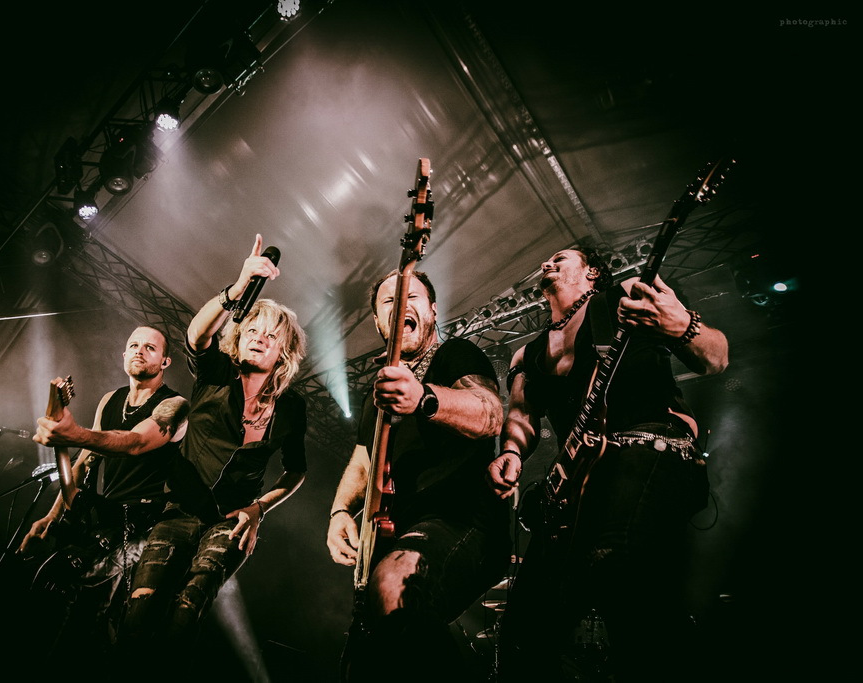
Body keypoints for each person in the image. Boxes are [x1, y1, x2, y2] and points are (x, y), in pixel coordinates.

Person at [486, 246, 729, 682]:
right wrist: (511, 452)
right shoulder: (527, 354)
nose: (546, 264)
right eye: (546, 261)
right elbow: (521, 415)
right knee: (522, 631)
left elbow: (716, 357)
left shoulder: (624, 299)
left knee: (617, 563)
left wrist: (679, 325)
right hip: (578, 480)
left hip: (650, 448)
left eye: (561, 258)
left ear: (593, 272)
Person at [117, 234, 308, 668]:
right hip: (180, 510)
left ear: (284, 351)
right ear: (238, 339)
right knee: (140, 613)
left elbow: (296, 471)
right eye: (252, 331)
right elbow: (197, 334)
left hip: (232, 519)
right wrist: (238, 288)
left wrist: (259, 509)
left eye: (271, 335)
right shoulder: (217, 373)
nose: (260, 339)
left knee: (187, 613)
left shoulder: (294, 406)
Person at [326, 268, 513, 682]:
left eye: (412, 297)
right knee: (365, 661)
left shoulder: (454, 355)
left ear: (432, 311)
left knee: (396, 584)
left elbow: (489, 413)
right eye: (388, 301)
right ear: (379, 323)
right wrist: (339, 511)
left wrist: (423, 397)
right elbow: (363, 460)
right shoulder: (374, 394)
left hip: (461, 518)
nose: (400, 306)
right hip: (395, 531)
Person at [16, 324, 189, 663]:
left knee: (74, 585)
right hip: (104, 516)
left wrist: (73, 434)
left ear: (165, 362)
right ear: (123, 354)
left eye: (150, 347)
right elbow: (84, 462)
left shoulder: (174, 405)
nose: (140, 351)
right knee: (86, 608)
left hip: (142, 522)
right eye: (134, 345)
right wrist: (53, 515)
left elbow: (136, 442)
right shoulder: (111, 400)